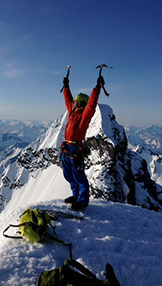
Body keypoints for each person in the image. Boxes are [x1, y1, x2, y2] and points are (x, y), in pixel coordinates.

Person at [60, 71, 104, 210]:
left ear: (80, 103)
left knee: (79, 176)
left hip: (75, 149)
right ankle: (76, 195)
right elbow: (67, 100)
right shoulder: (72, 112)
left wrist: (97, 88)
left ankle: (83, 201)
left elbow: (91, 105)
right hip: (67, 149)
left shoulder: (84, 116)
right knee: (69, 174)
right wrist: (66, 87)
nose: (72, 104)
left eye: (75, 102)